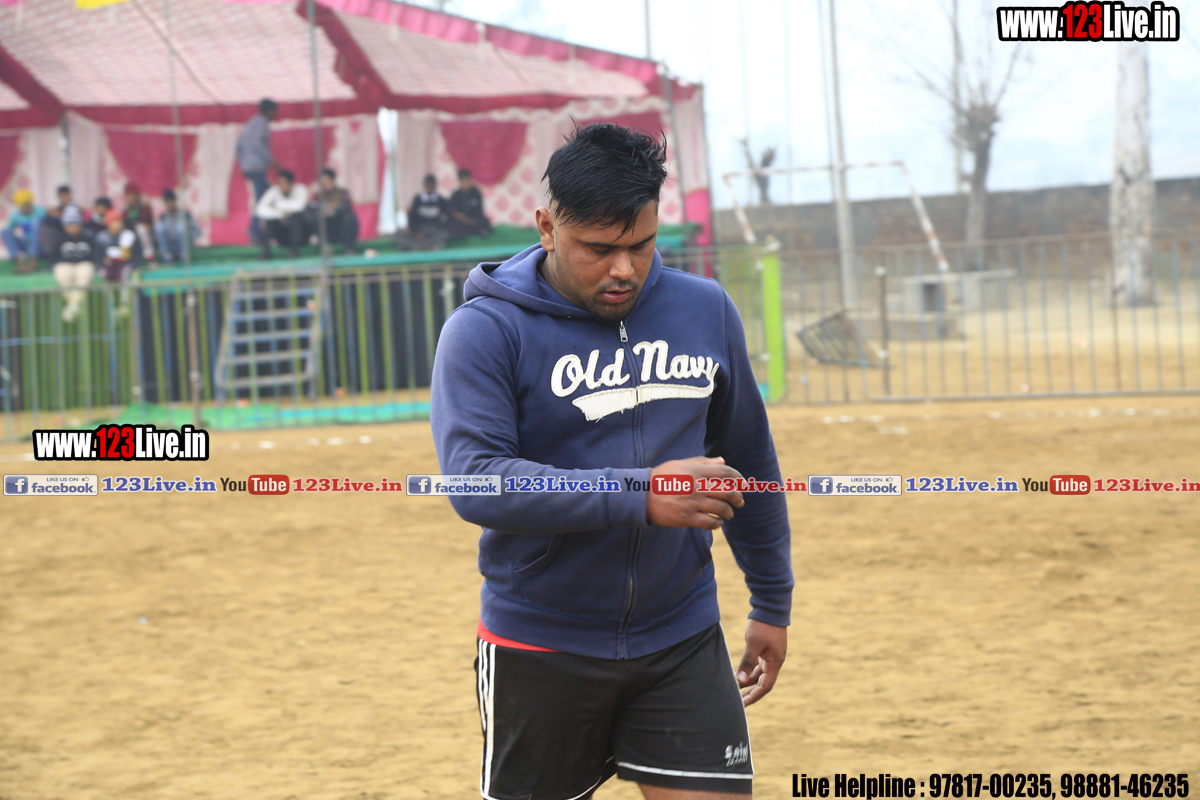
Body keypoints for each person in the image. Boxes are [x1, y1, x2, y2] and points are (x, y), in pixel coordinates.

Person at [430, 123, 792, 799]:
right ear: (547, 228)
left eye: (642, 245)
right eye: (599, 249)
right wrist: (639, 493)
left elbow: (751, 462)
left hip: (682, 636)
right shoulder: (485, 331)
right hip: (541, 644)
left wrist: (772, 600)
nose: (624, 268)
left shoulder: (705, 310)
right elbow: (476, 481)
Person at [236, 98, 279, 244]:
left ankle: (261, 231)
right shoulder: (261, 123)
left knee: (267, 194)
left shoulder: (251, 123)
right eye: (275, 111)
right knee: (262, 200)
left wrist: (243, 165)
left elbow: (238, 146)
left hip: (250, 167)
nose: (276, 114)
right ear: (270, 110)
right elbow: (257, 144)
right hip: (256, 167)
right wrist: (270, 159)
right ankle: (255, 233)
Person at [48, 206, 97, 322]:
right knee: (62, 277)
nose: (72, 227)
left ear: (80, 225)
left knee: (85, 277)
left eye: (75, 224)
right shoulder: (59, 239)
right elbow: (53, 256)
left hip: (84, 263)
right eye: (69, 224)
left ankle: (72, 307)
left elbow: (94, 254)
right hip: (64, 264)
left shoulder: (88, 239)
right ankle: (75, 306)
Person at [255, 168, 309, 259]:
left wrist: (276, 206)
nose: (281, 185)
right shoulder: (274, 190)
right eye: (279, 182)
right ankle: (266, 253)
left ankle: (295, 251)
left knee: (296, 217)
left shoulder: (301, 189)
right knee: (269, 221)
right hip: (282, 235)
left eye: (284, 182)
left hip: (301, 236)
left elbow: (299, 206)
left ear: (290, 183)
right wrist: (281, 213)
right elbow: (260, 210)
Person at [308, 167, 358, 254]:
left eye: (326, 180)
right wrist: (323, 211)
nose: (324, 183)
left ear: (333, 180)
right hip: (327, 228)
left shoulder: (343, 192)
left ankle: (349, 248)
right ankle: (324, 246)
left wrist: (332, 212)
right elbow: (312, 207)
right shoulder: (317, 195)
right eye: (321, 181)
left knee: (349, 217)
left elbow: (346, 207)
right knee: (314, 218)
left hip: (340, 226)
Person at [97, 208, 137, 316]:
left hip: (125, 265)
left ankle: (124, 305)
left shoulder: (128, 236)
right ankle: (110, 306)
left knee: (126, 276)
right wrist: (101, 263)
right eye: (115, 222)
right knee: (103, 275)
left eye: (119, 222)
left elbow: (134, 255)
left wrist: (131, 263)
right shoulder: (102, 237)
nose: (118, 225)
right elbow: (98, 257)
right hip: (108, 267)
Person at [2, 188, 45, 273]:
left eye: (27, 204)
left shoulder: (41, 211)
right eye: (23, 205)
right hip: (26, 244)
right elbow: (10, 230)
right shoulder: (16, 215)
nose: (26, 207)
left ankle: (33, 264)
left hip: (41, 245)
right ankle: (21, 264)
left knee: (35, 224)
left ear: (31, 203)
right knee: (4, 231)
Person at [154, 188, 200, 264]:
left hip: (185, 247)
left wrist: (188, 235)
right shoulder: (163, 217)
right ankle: (168, 256)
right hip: (171, 248)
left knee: (181, 227)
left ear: (175, 201)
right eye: (167, 202)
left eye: (171, 201)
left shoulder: (185, 214)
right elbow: (159, 236)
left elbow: (197, 232)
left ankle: (184, 255)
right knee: (159, 227)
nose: (170, 204)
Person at [446, 167, 491, 241]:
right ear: (459, 181)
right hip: (461, 222)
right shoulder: (456, 195)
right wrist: (458, 216)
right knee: (450, 224)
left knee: (485, 221)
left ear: (470, 180)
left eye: (467, 179)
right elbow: (450, 211)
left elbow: (480, 211)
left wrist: (470, 219)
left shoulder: (476, 193)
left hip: (473, 220)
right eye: (463, 180)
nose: (465, 182)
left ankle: (477, 231)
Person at [122, 182, 156, 264]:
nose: (127, 197)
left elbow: (147, 222)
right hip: (132, 232)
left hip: (145, 233)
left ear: (136, 195)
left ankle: (150, 257)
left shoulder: (144, 207)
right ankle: (126, 262)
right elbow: (126, 224)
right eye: (126, 195)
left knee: (141, 229)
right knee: (125, 236)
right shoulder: (126, 210)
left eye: (130, 195)